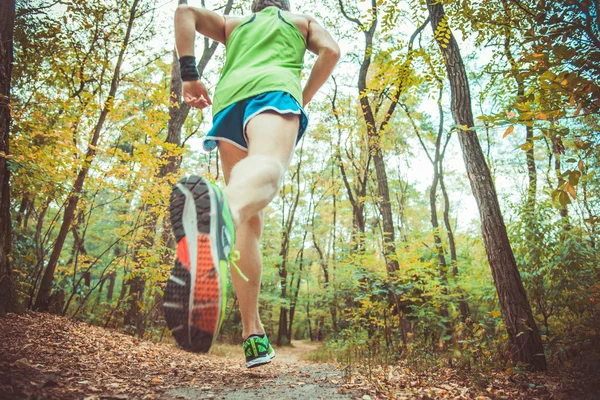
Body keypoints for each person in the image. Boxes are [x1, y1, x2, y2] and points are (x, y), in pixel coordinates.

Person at [163, 0, 340, 369]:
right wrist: (302, 97)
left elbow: (185, 12)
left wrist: (189, 74)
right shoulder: (300, 20)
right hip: (275, 93)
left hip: (229, 103)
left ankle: (253, 334)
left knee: (249, 218)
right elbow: (332, 50)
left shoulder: (234, 23)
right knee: (267, 167)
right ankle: (218, 213)